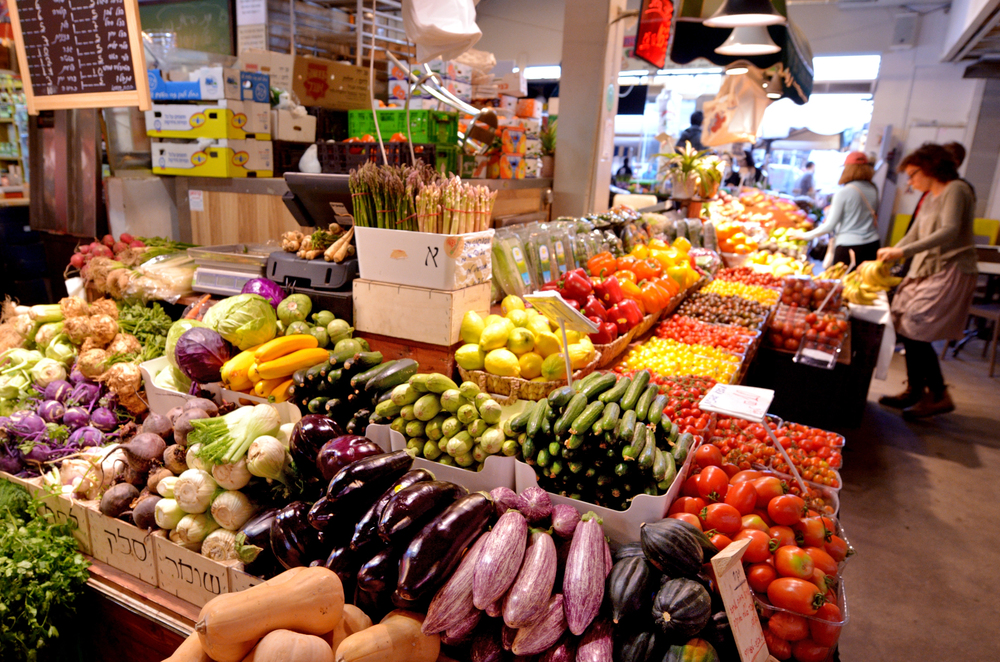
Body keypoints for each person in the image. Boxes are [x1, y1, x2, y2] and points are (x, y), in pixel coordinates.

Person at [877, 144, 978, 419]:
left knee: (917, 328)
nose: (910, 182)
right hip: (927, 269)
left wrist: (903, 252)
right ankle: (915, 390)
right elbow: (915, 233)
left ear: (930, 168)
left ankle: (938, 394)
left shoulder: (956, 189)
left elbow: (950, 231)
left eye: (912, 174)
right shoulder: (930, 195)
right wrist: (893, 251)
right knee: (906, 325)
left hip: (949, 268)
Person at [791, 152, 880, 267]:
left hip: (849, 247)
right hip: (872, 245)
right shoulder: (873, 189)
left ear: (848, 169)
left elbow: (829, 226)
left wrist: (805, 235)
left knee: (842, 278)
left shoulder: (844, 192)